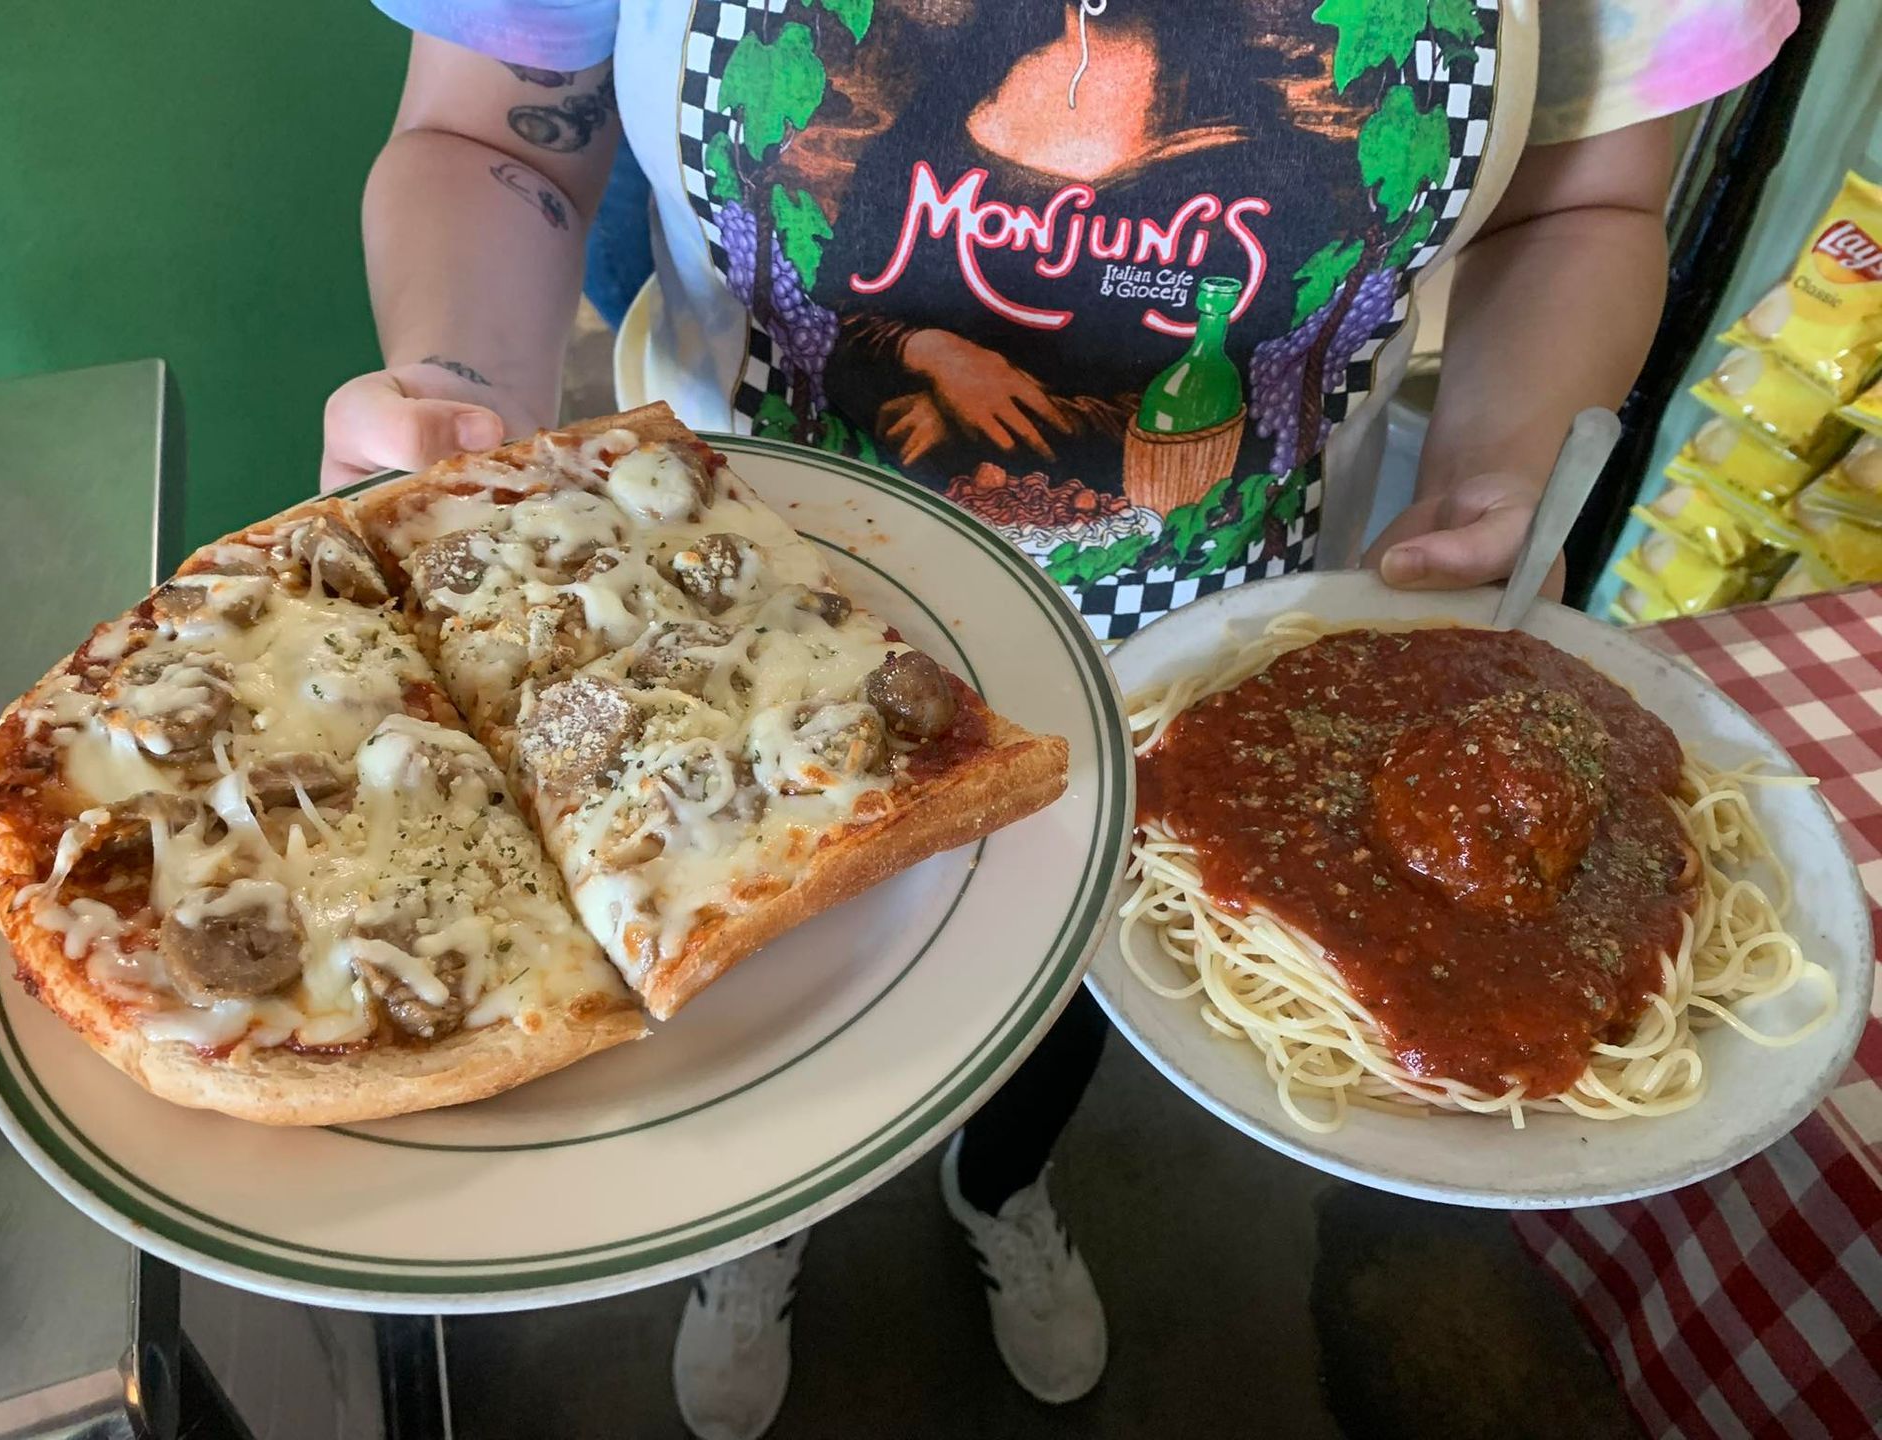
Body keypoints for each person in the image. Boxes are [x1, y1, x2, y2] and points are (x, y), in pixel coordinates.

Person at [324, 3, 1798, 1435]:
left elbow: (1578, 205)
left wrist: (1497, 464)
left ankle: (1004, 1187)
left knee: (1067, 1019)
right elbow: (494, 133)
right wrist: (456, 406)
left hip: (1206, 673)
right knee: (757, 1014)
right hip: (728, 650)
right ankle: (756, 1230)